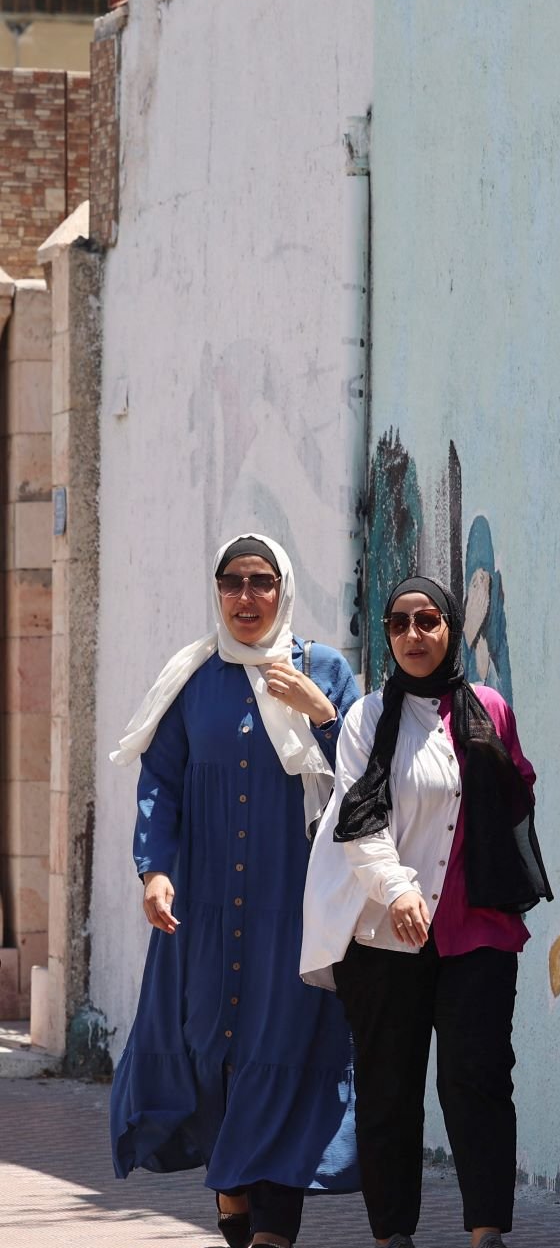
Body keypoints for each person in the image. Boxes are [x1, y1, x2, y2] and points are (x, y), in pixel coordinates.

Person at [107, 533, 362, 1248]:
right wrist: (154, 868)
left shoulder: (326, 670)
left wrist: (323, 710)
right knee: (210, 1055)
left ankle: (274, 1234)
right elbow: (159, 781)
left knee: (285, 1062)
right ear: (216, 591)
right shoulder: (193, 678)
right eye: (231, 582)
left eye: (260, 581)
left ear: (283, 587)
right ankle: (234, 1212)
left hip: (295, 912)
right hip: (205, 912)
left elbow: (369, 777)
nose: (245, 597)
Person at [301, 577, 549, 1248]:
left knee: (479, 1079)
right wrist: (398, 887)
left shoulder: (490, 709)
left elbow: (517, 793)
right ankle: (393, 1236)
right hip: (384, 934)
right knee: (388, 1091)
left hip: (478, 929)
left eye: (429, 620)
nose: (414, 635)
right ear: (387, 634)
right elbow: (358, 817)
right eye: (400, 623)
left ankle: (487, 1230)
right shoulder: (367, 720)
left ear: (450, 628)